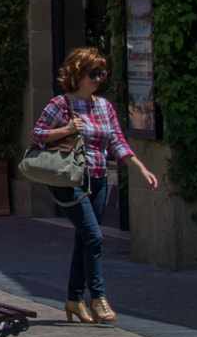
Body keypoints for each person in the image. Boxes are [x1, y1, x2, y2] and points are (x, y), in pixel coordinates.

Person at [32, 46, 159, 321]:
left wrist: (142, 169)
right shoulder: (60, 104)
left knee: (85, 239)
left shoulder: (104, 106)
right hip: (71, 181)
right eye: (93, 73)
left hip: (98, 180)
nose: (99, 79)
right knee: (94, 238)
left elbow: (117, 142)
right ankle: (98, 298)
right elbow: (38, 135)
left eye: (102, 73)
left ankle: (74, 299)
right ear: (76, 75)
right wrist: (66, 129)